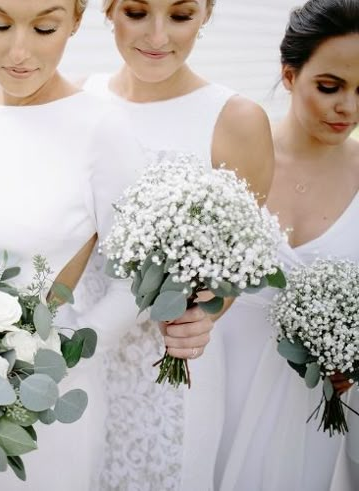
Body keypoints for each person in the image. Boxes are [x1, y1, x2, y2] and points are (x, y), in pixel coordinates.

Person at [0, 1, 215, 489]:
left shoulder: (101, 129)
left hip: (41, 410)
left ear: (75, 21)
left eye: (45, 27)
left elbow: (133, 285)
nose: (19, 50)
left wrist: (43, 373)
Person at [78, 0, 275, 488]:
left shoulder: (237, 119)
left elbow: (240, 261)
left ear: (207, 13)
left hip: (169, 370)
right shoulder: (82, 99)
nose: (158, 36)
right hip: (80, 356)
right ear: (108, 9)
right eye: (137, 12)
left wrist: (205, 313)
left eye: (181, 15)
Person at [215, 1, 359, 489]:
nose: (349, 108)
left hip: (309, 411)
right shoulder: (230, 151)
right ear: (290, 75)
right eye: (330, 87)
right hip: (215, 387)